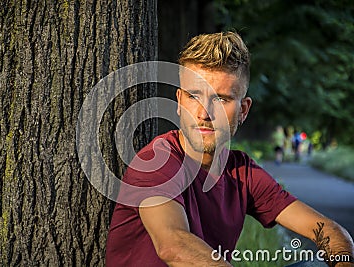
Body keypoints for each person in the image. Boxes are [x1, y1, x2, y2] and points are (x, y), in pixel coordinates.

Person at [106, 32, 354, 266]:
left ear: (243, 110)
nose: (204, 114)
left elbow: (328, 230)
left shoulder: (242, 172)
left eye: (221, 99)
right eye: (194, 97)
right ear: (180, 102)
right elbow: (173, 245)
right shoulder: (155, 162)